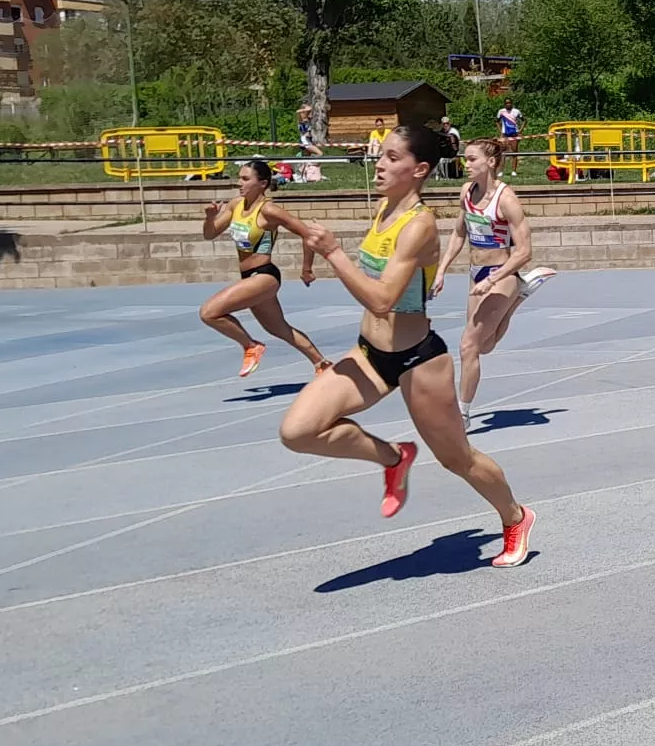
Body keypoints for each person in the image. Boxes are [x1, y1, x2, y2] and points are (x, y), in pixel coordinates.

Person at [281, 124, 535, 564]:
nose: (379, 164)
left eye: (392, 157)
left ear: (419, 169)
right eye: (381, 154)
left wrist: (333, 253)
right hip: (369, 353)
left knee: (457, 459)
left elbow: (383, 300)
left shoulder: (419, 225)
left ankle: (515, 516)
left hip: (418, 360)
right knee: (298, 431)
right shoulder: (384, 207)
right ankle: (394, 457)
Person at [432, 137, 557, 419]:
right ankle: (518, 298)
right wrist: (441, 270)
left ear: (490, 162)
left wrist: (493, 279)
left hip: (501, 274)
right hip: (476, 274)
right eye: (465, 158)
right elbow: (459, 233)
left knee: (468, 346)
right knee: (484, 346)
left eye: (471, 159)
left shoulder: (506, 199)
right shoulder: (466, 192)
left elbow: (524, 252)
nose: (465, 164)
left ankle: (461, 414)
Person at [198, 157, 331, 377]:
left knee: (209, 313)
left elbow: (307, 234)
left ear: (262, 183)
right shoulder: (235, 205)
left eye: (245, 179)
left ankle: (250, 346)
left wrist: (306, 268)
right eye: (239, 178)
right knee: (278, 328)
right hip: (248, 276)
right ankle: (322, 364)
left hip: (264, 276)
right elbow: (209, 234)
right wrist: (210, 217)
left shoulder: (269, 211)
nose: (239, 183)